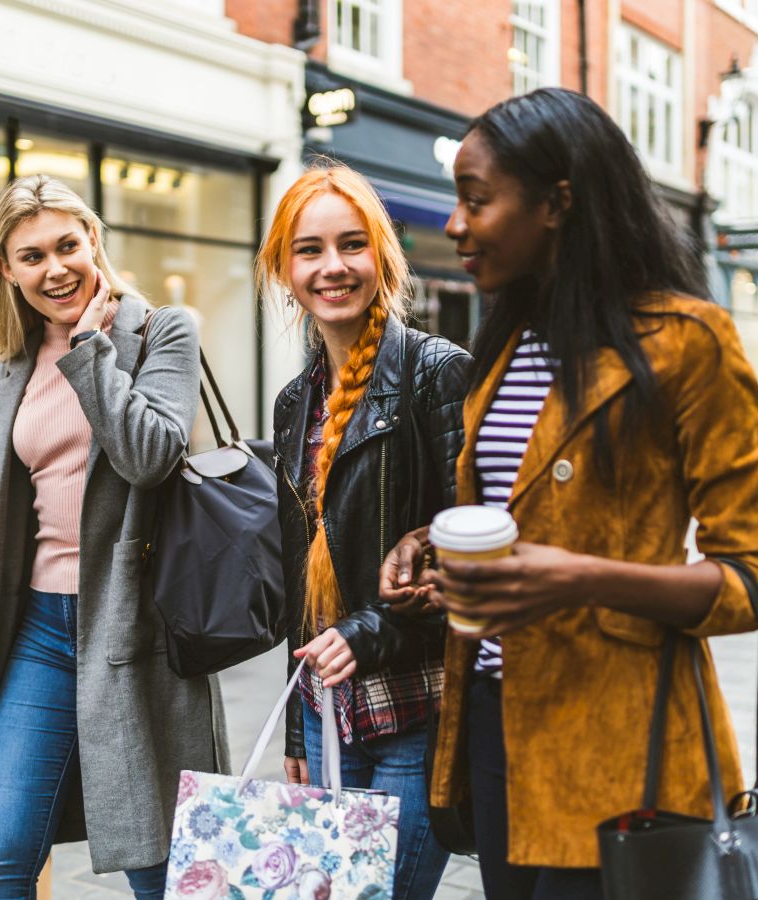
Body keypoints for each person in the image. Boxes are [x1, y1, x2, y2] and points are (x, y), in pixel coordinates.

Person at [379, 88, 758, 900]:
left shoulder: (688, 343)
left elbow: (752, 581)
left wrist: (578, 576)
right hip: (495, 720)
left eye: (476, 200)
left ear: (557, 203)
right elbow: (530, 504)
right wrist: (430, 540)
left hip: (622, 741)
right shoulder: (505, 345)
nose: (454, 224)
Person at [0, 174, 228, 900]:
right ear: (6, 269)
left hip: (135, 627)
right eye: (30, 256)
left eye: (68, 245)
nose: (55, 268)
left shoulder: (163, 330)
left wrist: (92, 347)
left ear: (95, 240)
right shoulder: (9, 367)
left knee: (157, 862)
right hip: (39, 630)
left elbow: (151, 455)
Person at [256, 163, 472, 900]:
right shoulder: (295, 404)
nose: (333, 267)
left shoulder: (435, 373)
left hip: (422, 705)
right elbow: (300, 583)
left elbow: (467, 551)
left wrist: (369, 631)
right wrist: (294, 731)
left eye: (351, 245)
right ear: (285, 270)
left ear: (382, 256)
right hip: (326, 713)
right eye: (309, 250)